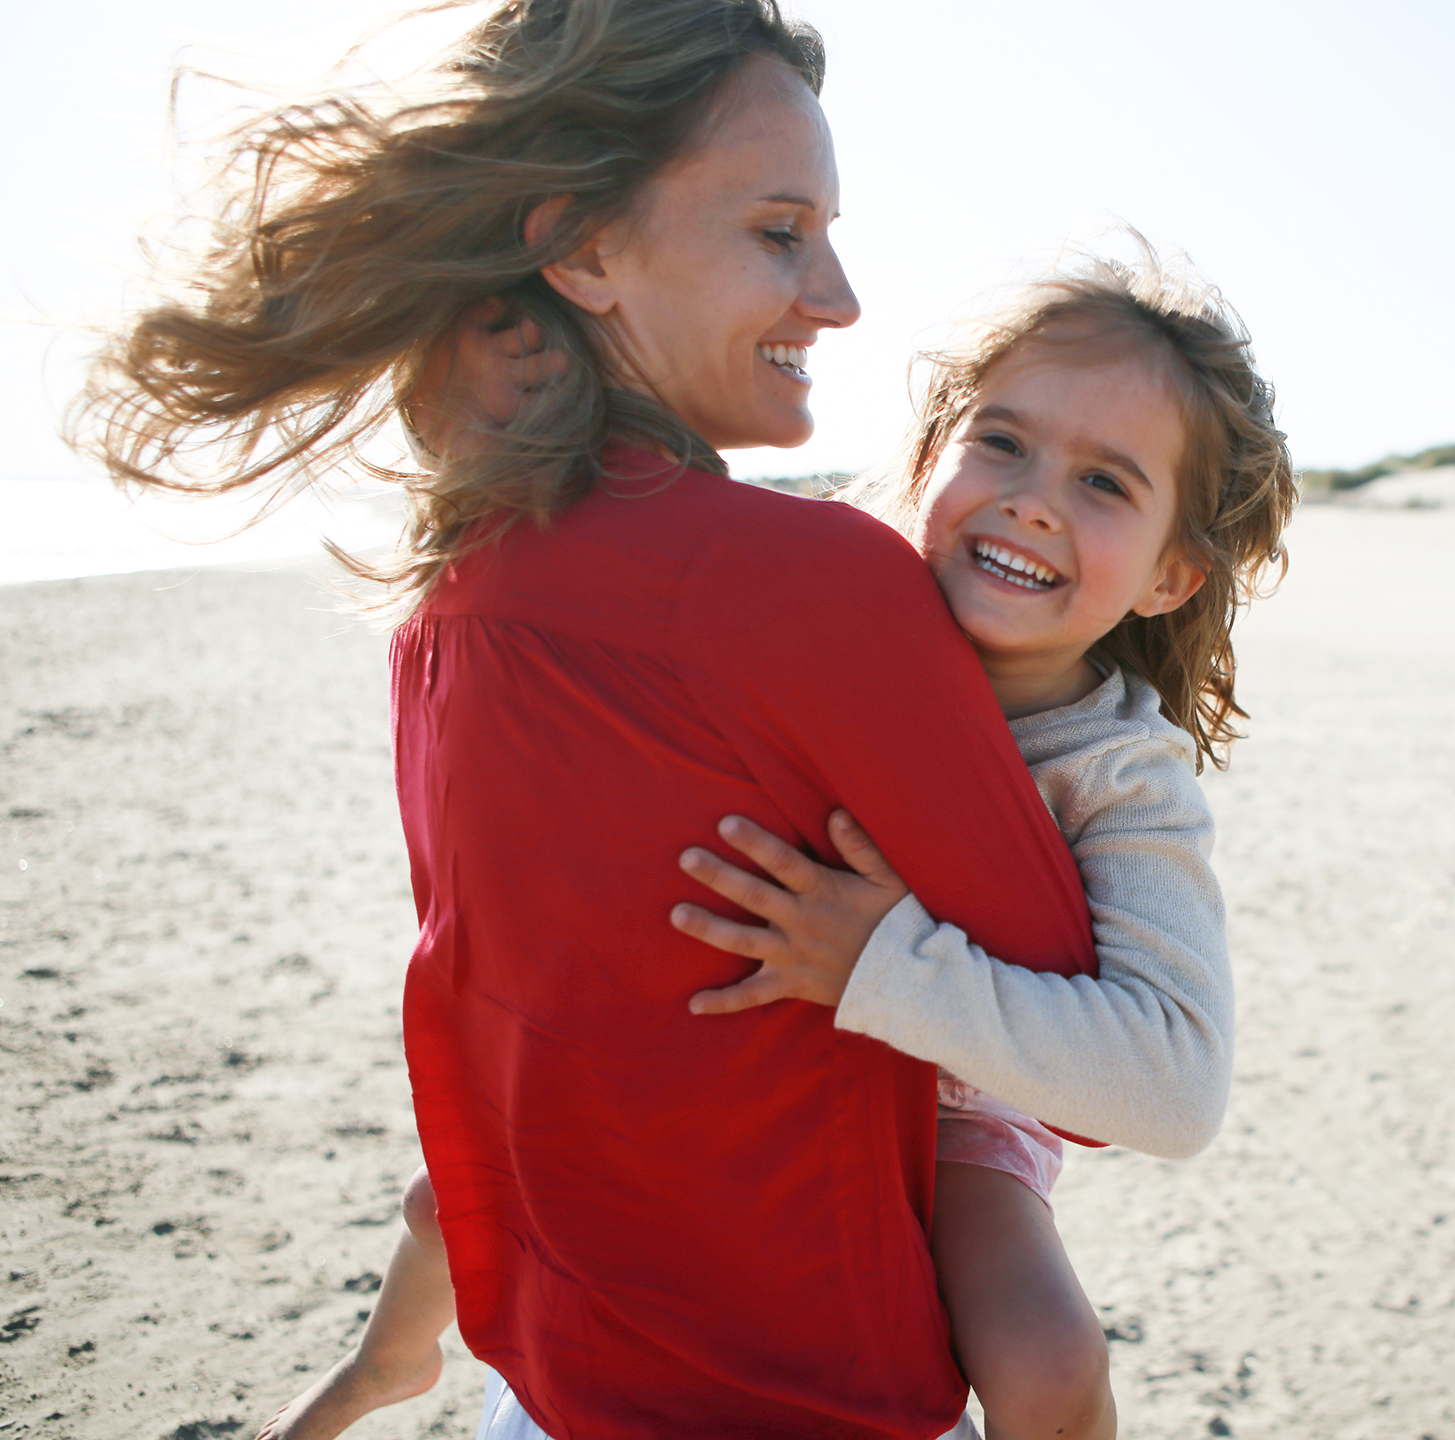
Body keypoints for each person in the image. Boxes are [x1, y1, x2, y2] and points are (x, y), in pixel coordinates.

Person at [75, 2, 1127, 1435]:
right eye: (778, 231)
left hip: (552, 1393)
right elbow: (1079, 1050)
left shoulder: (444, 598)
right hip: (817, 1402)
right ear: (583, 251)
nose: (839, 295)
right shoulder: (815, 584)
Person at [260, 250, 1297, 1440]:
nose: (1034, 499)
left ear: (1172, 575)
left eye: (1106, 482)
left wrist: (883, 966)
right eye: (1001, 443)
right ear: (931, 456)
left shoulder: (1125, 777)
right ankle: (387, 1365)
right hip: (759, 1021)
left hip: (962, 1106)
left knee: (1049, 1361)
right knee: (471, 1194)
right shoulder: (818, 589)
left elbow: (1174, 1091)